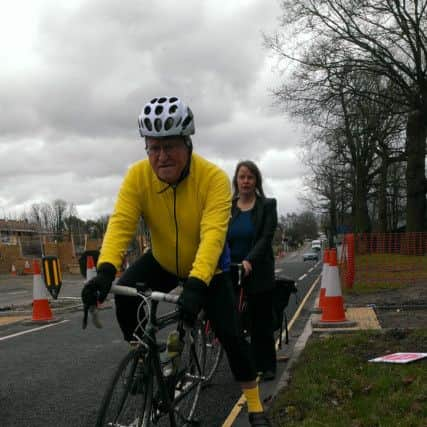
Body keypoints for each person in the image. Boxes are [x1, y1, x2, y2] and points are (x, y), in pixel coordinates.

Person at [81, 96, 271, 426]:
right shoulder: (138, 176)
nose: (161, 156)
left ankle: (255, 406)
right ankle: (144, 358)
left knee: (230, 335)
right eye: (153, 148)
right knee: (124, 298)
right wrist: (105, 272)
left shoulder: (210, 178)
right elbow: (122, 223)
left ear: (187, 144)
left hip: (209, 268)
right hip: (164, 259)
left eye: (169, 146)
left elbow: (213, 235)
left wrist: (197, 286)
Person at [227, 160, 278, 381]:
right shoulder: (228, 207)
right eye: (242, 177)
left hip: (257, 270)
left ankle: (266, 366)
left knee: (260, 323)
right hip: (231, 270)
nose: (245, 181)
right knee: (233, 322)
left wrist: (249, 261)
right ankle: (246, 363)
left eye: (250, 177)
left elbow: (265, 239)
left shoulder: (267, 206)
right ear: (236, 181)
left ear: (256, 181)